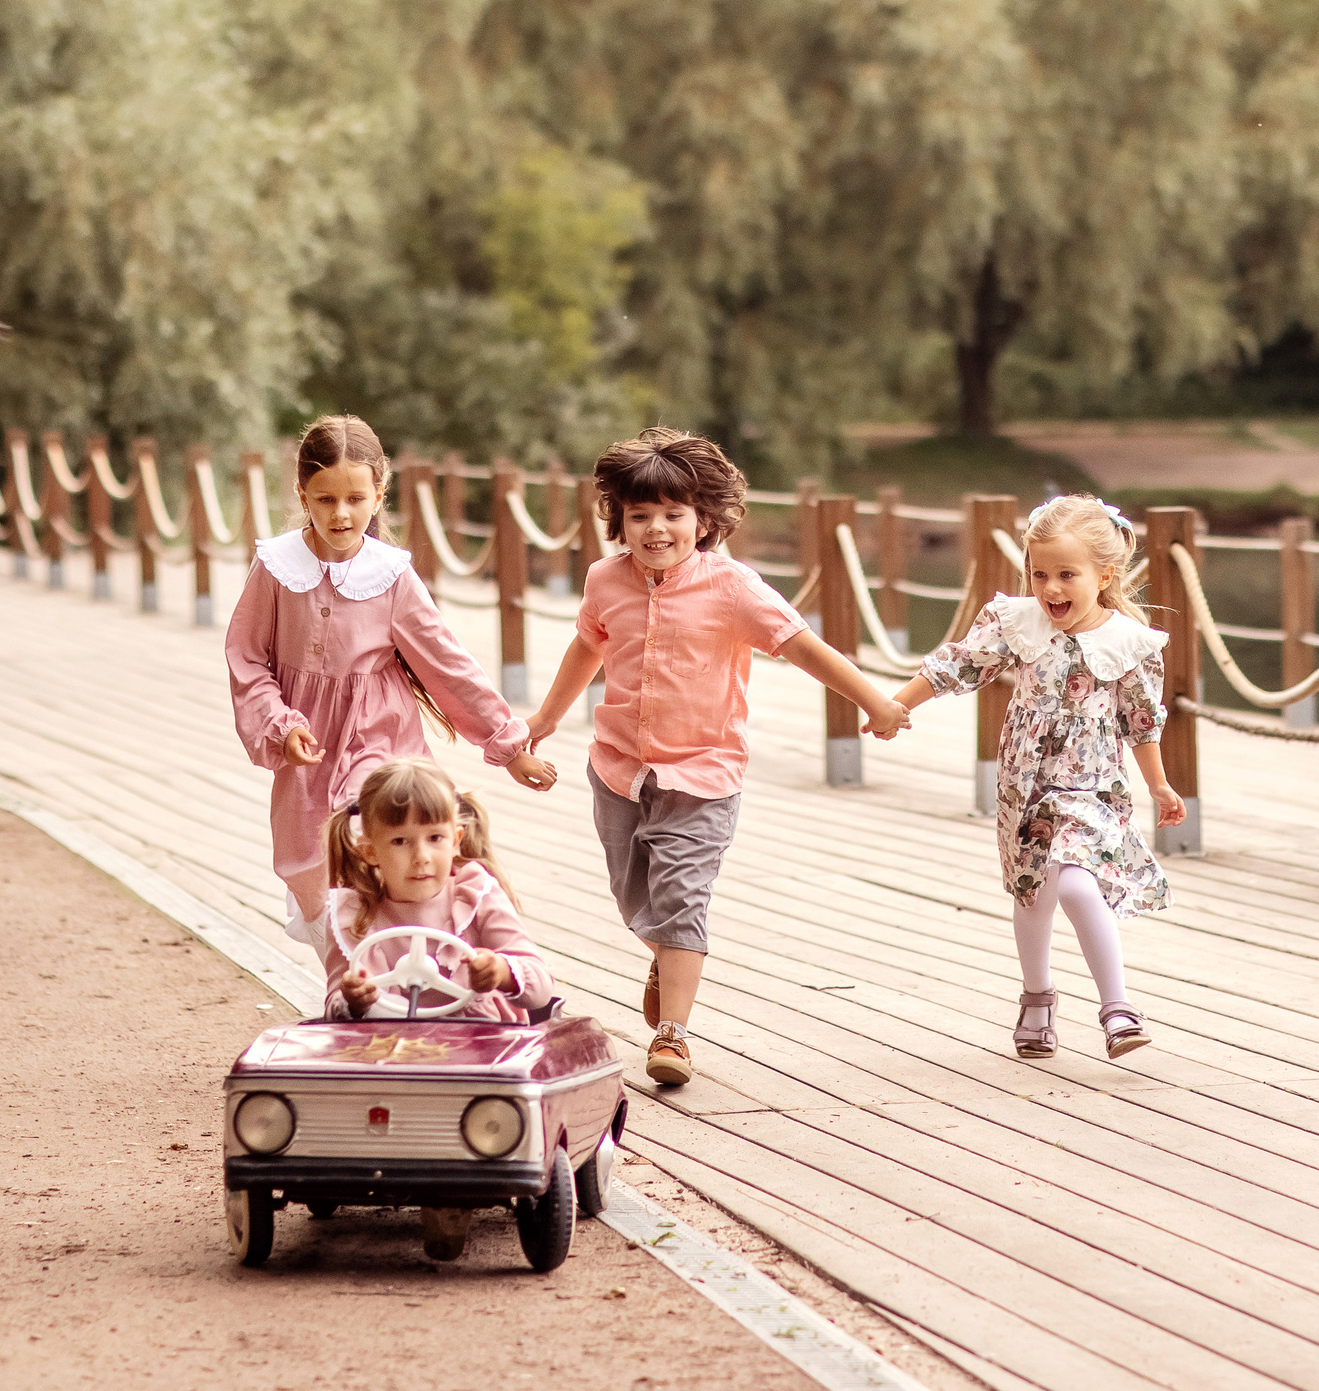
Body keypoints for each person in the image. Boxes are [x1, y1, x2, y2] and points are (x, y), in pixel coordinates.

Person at [523, 428, 909, 1087]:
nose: (656, 529)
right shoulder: (604, 579)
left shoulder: (734, 587)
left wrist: (875, 700)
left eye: (673, 514)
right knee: (631, 899)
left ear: (704, 518)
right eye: (640, 515)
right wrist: (545, 718)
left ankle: (673, 1033)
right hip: (618, 767)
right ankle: (668, 957)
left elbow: (802, 645)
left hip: (702, 774)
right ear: (619, 518)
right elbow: (586, 646)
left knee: (682, 899)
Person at [226, 415, 555, 983]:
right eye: (325, 498)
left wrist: (509, 744)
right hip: (306, 755)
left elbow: (448, 666)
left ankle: (420, 981)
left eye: (356, 498)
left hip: (383, 744)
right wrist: (279, 724)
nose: (341, 514)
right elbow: (247, 657)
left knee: (384, 848)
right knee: (314, 873)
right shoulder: (276, 568)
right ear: (302, 492)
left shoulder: (392, 577)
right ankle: (351, 997)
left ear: (379, 494)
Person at [888, 494, 1181, 1060]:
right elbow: (956, 666)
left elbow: (1141, 722)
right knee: (1032, 893)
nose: (1050, 588)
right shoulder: (1016, 623)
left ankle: (1117, 1007)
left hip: (1091, 784)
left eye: (1066, 575)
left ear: (1105, 575)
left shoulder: (1130, 644)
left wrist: (1159, 784)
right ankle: (1037, 998)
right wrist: (896, 705)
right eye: (1039, 573)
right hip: (1026, 783)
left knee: (1073, 877)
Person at [320, 759, 555, 1023]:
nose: (421, 857)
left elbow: (541, 989)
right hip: (392, 1046)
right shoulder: (355, 916)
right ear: (370, 851)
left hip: (483, 1042)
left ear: (456, 841)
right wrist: (354, 999)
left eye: (435, 838)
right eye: (400, 841)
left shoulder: (476, 894)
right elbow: (334, 1006)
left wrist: (501, 972)